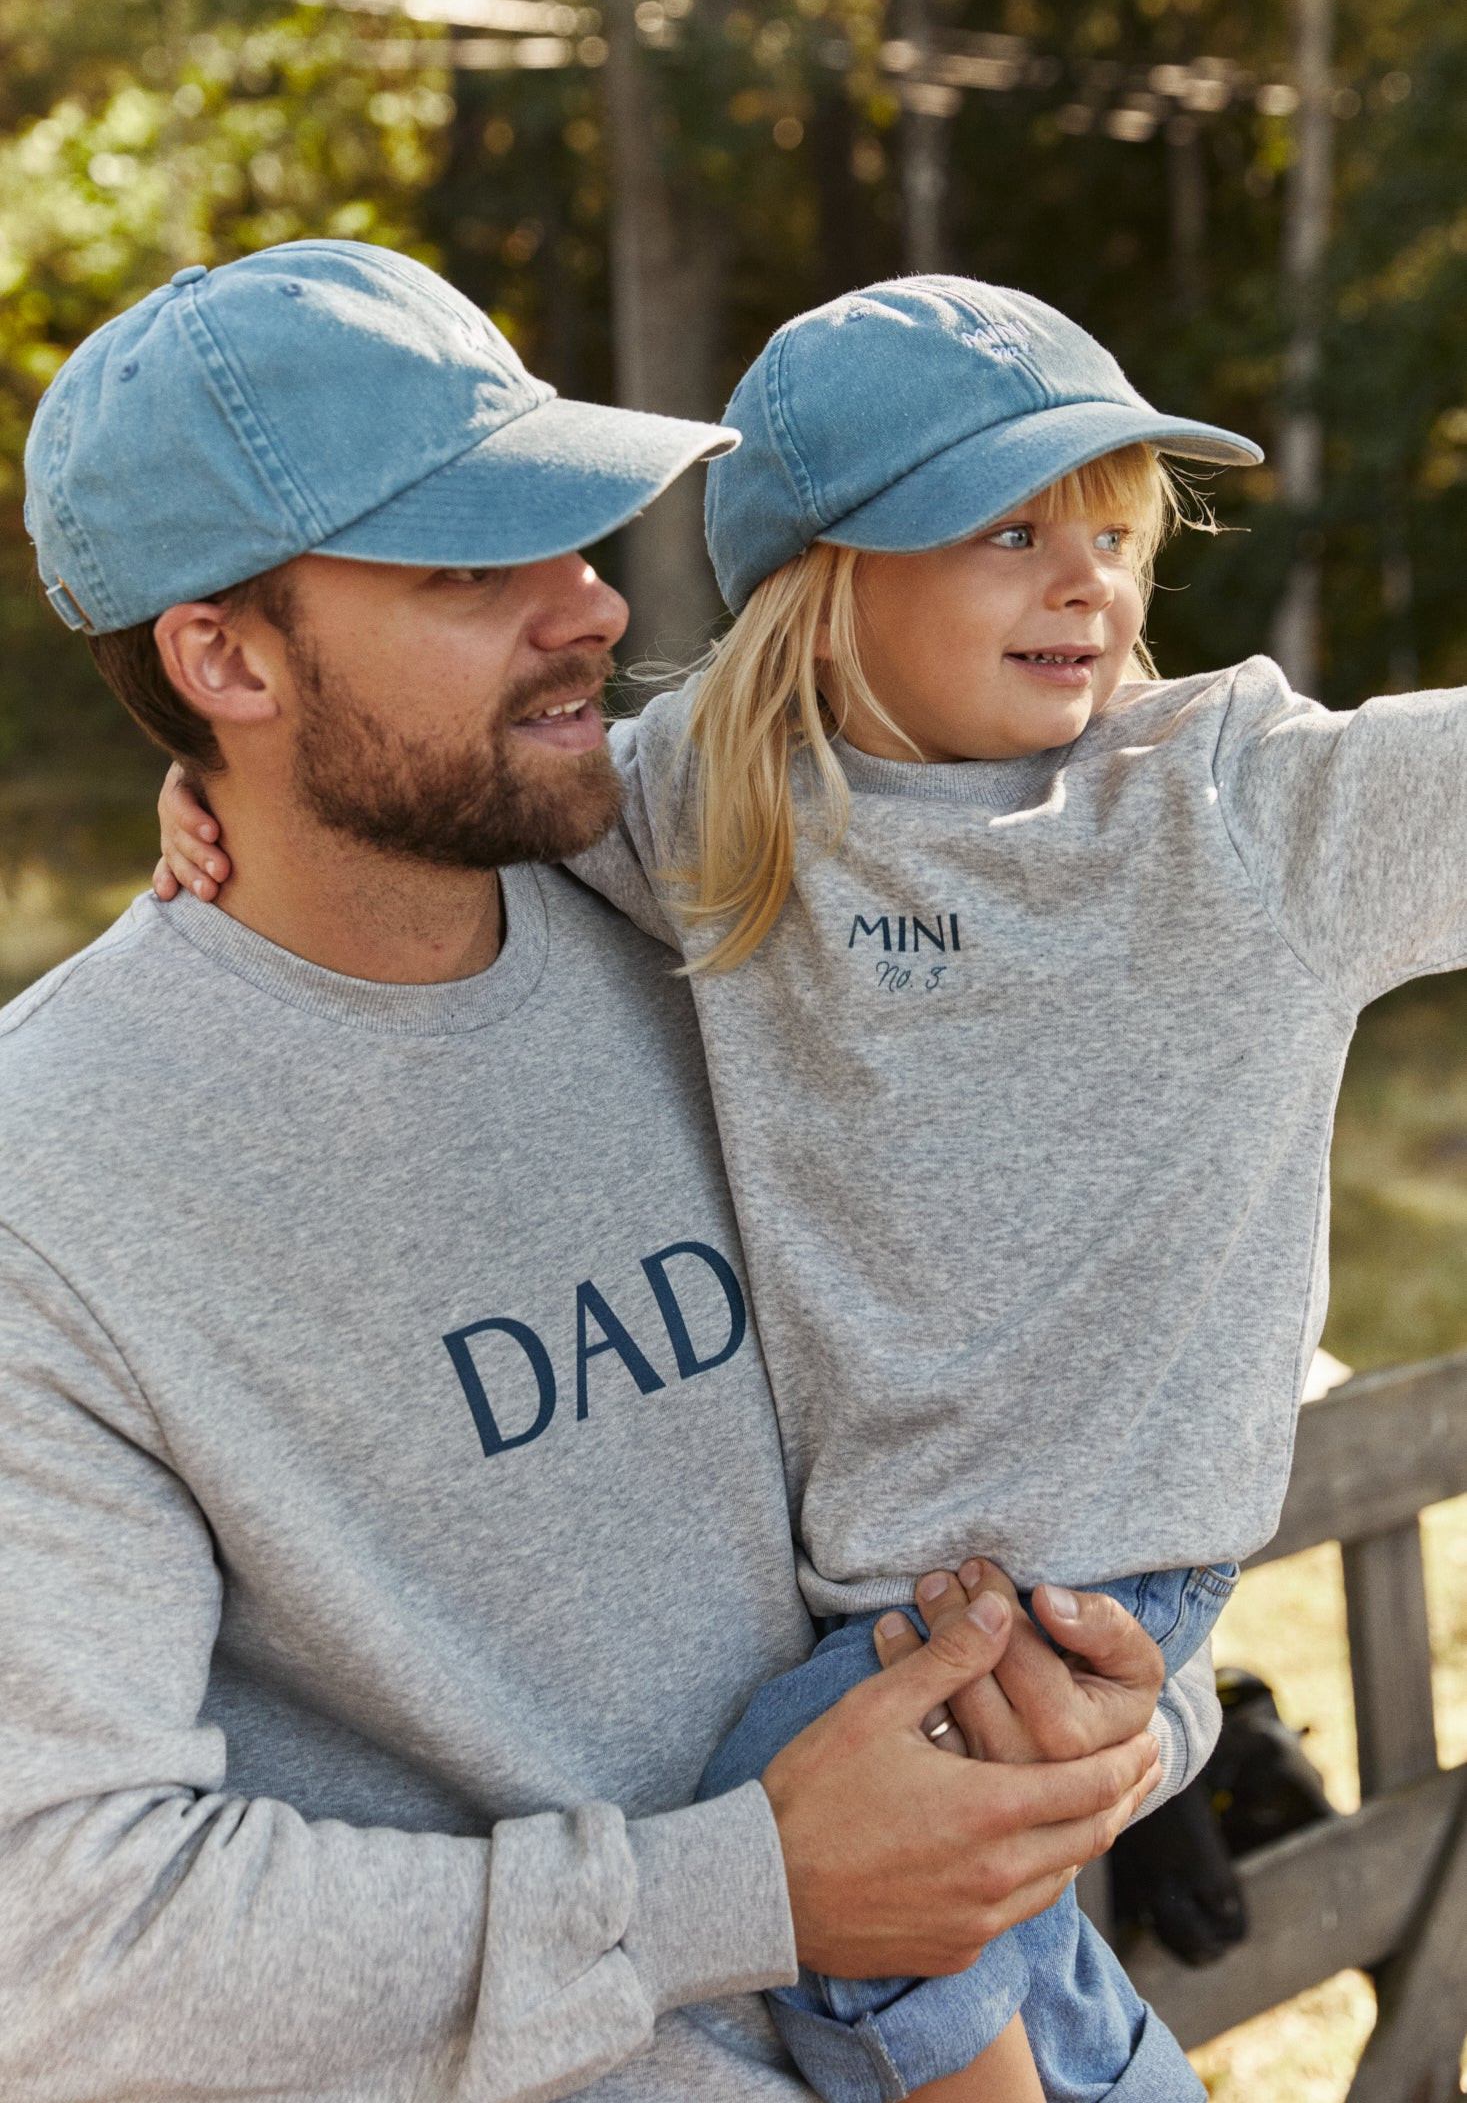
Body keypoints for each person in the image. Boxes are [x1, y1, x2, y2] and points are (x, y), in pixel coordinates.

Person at [163, 272, 1467, 2098]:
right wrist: (212, 794)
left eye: (1111, 531)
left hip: (1087, 1571)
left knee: (824, 1879)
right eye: (1010, 531)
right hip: (866, 1571)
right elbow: (426, 797)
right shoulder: (715, 803)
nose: (1086, 581)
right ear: (825, 581)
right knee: (938, 1921)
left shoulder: (1235, 810)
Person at [3, 241, 1182, 2103]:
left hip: (1052, 2034)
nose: (590, 606)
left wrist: (1118, 1727)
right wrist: (745, 1890)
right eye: (472, 568)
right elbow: (60, 1946)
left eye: (567, 530)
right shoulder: (54, 1189)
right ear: (222, 658)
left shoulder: (738, 902)